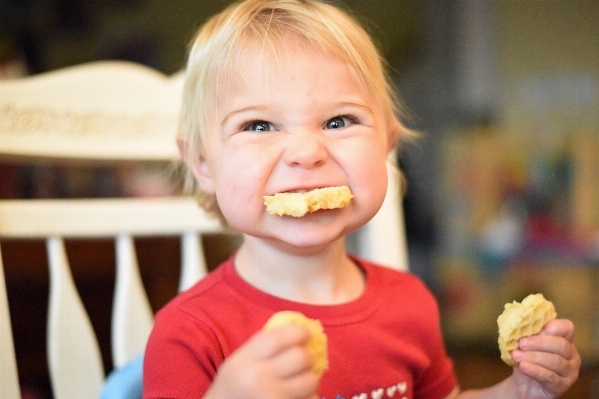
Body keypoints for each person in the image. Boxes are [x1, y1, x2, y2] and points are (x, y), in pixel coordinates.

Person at [142, 1, 581, 398]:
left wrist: (519, 392)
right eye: (258, 126)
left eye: (338, 120)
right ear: (202, 164)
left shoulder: (410, 303)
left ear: (386, 147)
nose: (306, 152)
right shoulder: (190, 334)